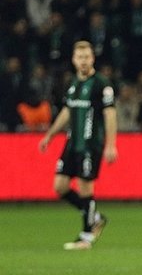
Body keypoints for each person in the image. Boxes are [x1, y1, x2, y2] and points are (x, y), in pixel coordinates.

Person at [38, 41, 116, 250]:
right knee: (60, 187)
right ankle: (95, 217)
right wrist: (50, 135)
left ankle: (86, 237)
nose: (83, 61)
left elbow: (110, 114)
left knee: (85, 188)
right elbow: (67, 111)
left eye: (87, 57)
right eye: (80, 57)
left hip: (91, 144)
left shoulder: (101, 84)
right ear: (74, 60)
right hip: (72, 143)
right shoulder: (72, 83)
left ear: (93, 59)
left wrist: (111, 145)